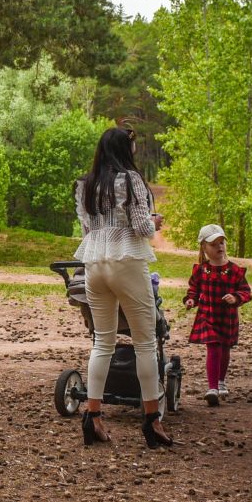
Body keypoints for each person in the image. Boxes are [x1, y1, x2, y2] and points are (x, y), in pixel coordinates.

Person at [74, 126, 171, 448]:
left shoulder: (85, 184)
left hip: (94, 263)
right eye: (132, 145)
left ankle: (94, 415)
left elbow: (87, 227)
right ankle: (151, 421)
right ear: (124, 148)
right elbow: (142, 227)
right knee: (145, 343)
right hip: (126, 260)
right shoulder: (131, 179)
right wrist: (154, 223)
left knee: (102, 342)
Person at [183, 224, 251, 405]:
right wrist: (191, 300)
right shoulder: (200, 271)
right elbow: (193, 291)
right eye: (214, 244)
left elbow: (246, 292)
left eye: (222, 243)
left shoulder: (234, 271)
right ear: (203, 247)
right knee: (213, 348)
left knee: (225, 350)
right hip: (207, 315)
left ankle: (221, 380)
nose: (219, 247)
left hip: (227, 318)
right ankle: (212, 387)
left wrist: (236, 297)